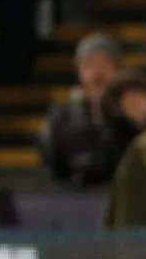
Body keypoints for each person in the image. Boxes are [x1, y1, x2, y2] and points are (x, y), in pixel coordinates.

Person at [39, 32, 123, 186]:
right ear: (79, 72)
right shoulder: (61, 116)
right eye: (89, 64)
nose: (98, 73)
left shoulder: (130, 114)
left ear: (117, 69)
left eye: (104, 64)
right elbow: (51, 164)